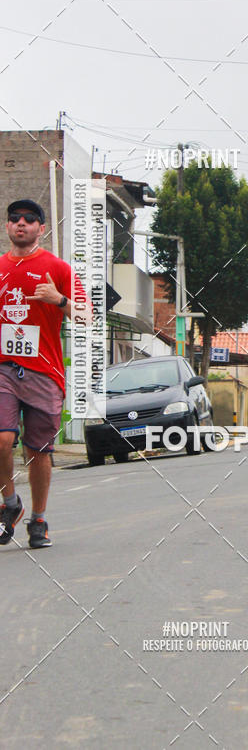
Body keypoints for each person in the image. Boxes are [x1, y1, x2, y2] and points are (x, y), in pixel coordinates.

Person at [0, 200, 85, 548]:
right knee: (2, 440)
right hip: (4, 367)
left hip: (45, 372)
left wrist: (58, 300)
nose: (21, 224)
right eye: (14, 219)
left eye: (29, 219)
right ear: (7, 227)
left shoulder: (58, 268)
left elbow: (87, 315)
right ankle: (9, 503)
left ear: (41, 228)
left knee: (39, 452)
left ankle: (39, 518)